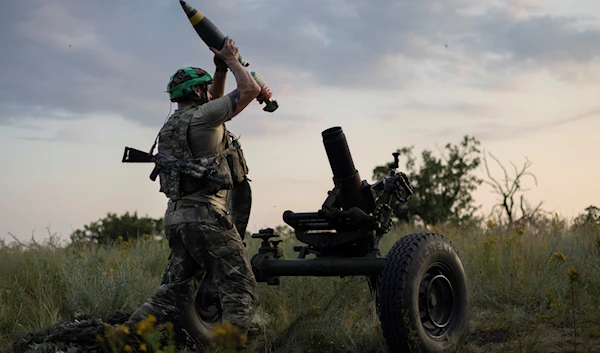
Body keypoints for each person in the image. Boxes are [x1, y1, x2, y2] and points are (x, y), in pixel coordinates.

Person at [123, 37, 272, 338]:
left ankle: (118, 339)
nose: (208, 93)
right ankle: (228, 347)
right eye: (203, 87)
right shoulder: (205, 118)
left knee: (174, 293)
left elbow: (218, 99)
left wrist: (220, 71)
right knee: (242, 293)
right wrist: (232, 60)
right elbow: (250, 90)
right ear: (195, 91)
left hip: (178, 218)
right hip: (207, 218)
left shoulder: (173, 124)